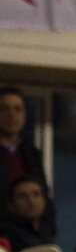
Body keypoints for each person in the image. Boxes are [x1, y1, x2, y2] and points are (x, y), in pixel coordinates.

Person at [0, 86, 54, 240]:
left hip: (33, 236)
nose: (11, 115)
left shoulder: (32, 154)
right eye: (5, 108)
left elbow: (44, 195)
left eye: (18, 109)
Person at [0, 176, 56, 252]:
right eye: (22, 196)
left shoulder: (47, 233)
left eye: (36, 194)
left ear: (45, 201)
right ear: (10, 205)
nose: (31, 201)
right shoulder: (6, 235)